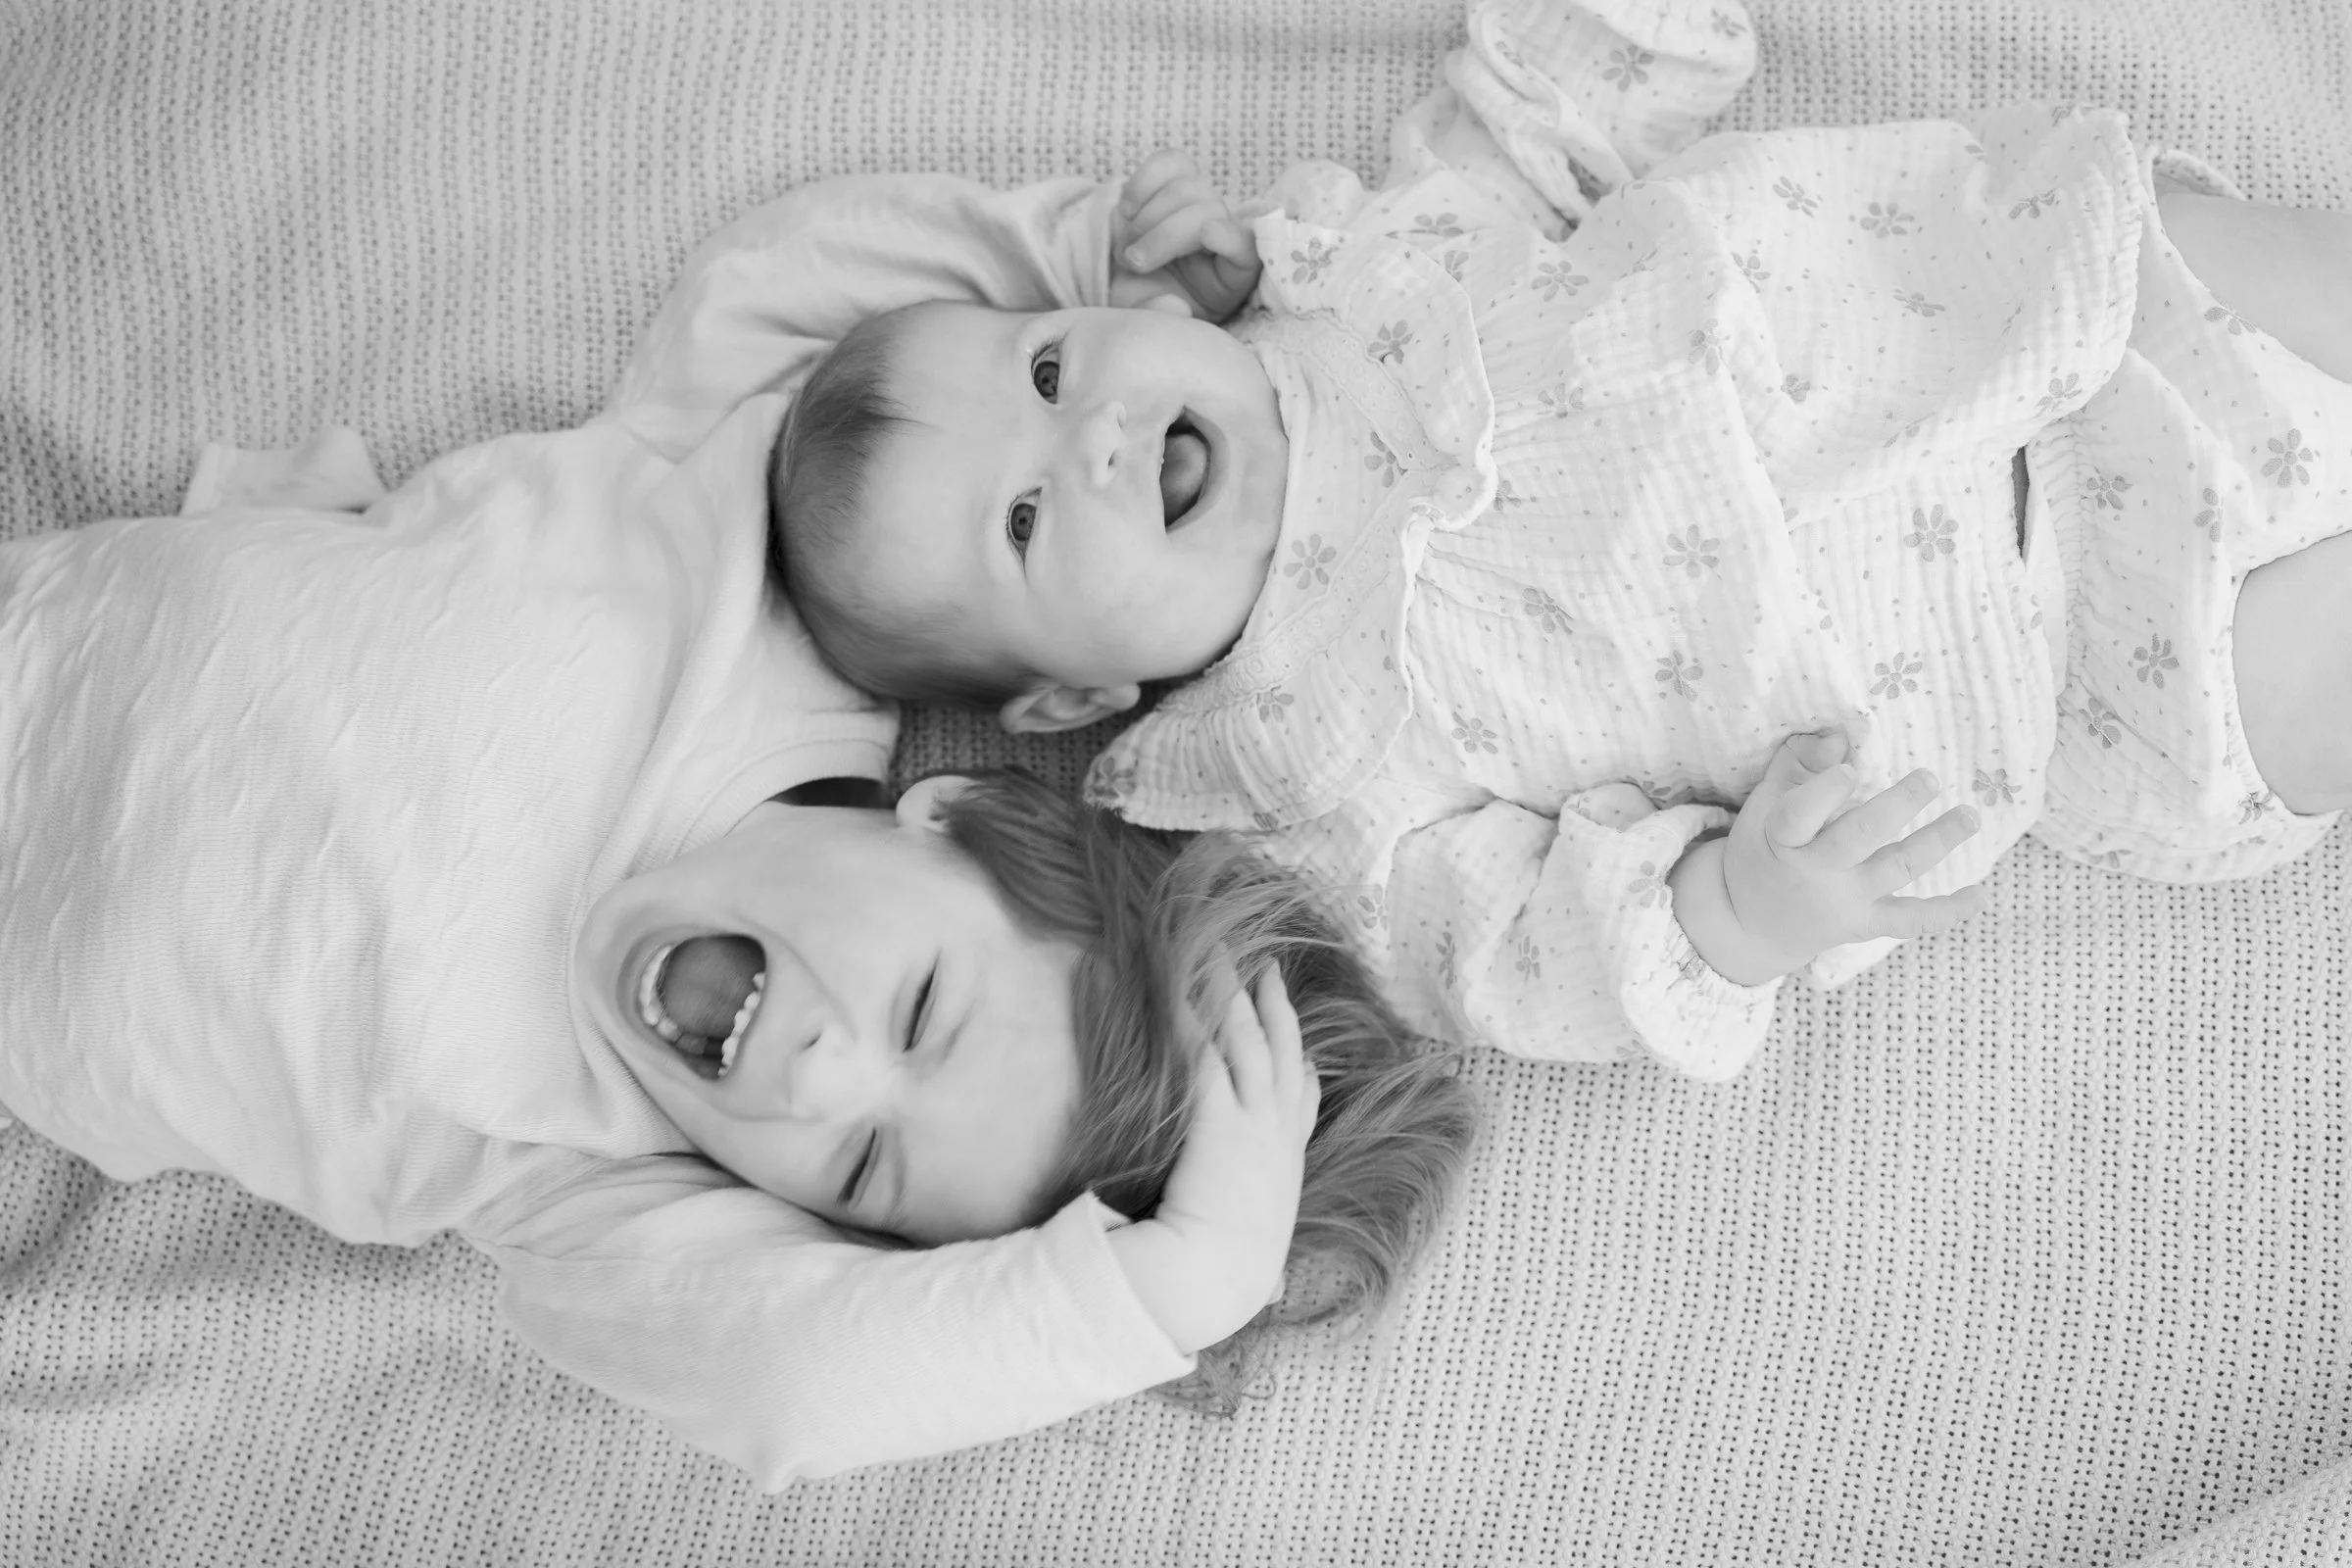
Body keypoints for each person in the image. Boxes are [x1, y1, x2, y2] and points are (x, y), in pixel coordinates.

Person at [0, 279, 1473, 1486]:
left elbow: (798, 1384)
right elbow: (871, 337)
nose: (822, 1081)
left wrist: (1166, 1294)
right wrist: (1079, 247)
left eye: (859, 1172)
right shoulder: (755, 604)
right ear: (950, 812)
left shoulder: (615, 1186)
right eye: (918, 1010)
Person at [746, 0, 2352, 1081]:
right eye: (1025, 518)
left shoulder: (1351, 268)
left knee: (2272, 271)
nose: (1087, 435)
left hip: (2011, 296)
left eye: (1046, 370)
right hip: (2064, 672)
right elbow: (1529, 950)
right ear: (1070, 702)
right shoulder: (1310, 788)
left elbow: (1542, 122)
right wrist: (1743, 913)